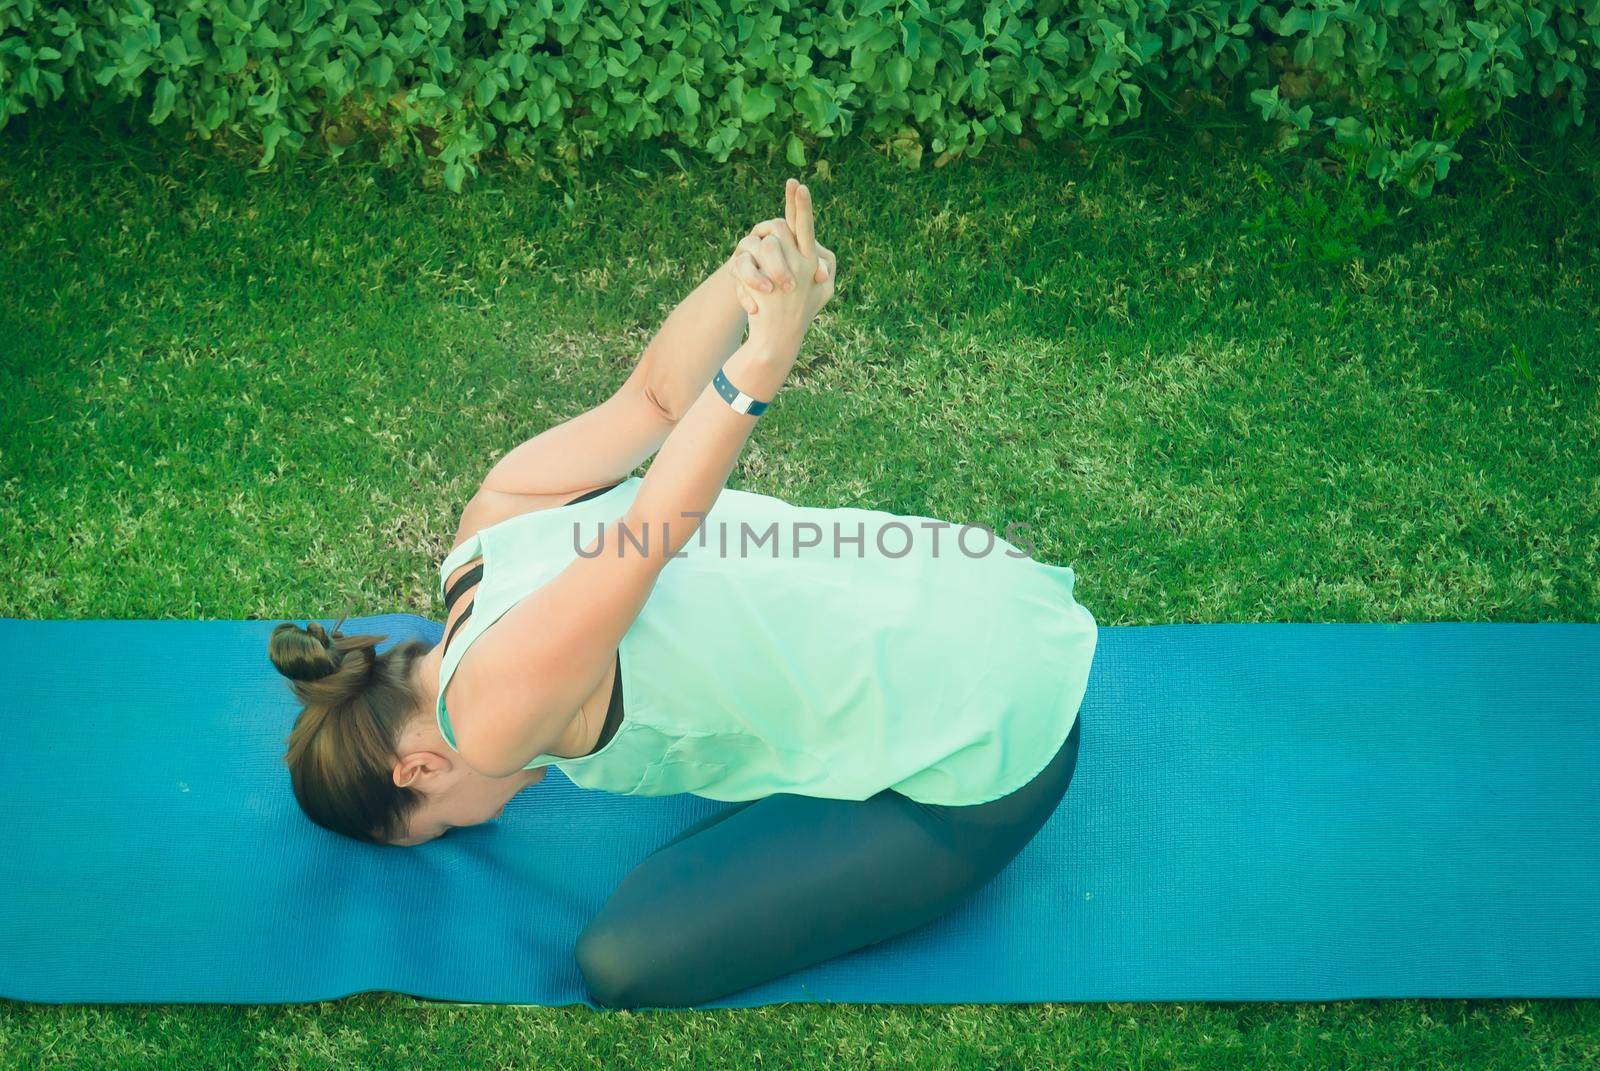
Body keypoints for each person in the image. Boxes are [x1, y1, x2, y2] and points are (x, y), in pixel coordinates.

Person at [270, 178, 1098, 1009]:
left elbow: (652, 535)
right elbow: (654, 401)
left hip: (990, 743)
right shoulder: (483, 533)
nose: (480, 825)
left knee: (624, 962)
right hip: (979, 585)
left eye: (443, 822)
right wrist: (749, 272)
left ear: (417, 767)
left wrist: (763, 357)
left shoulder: (483, 723)